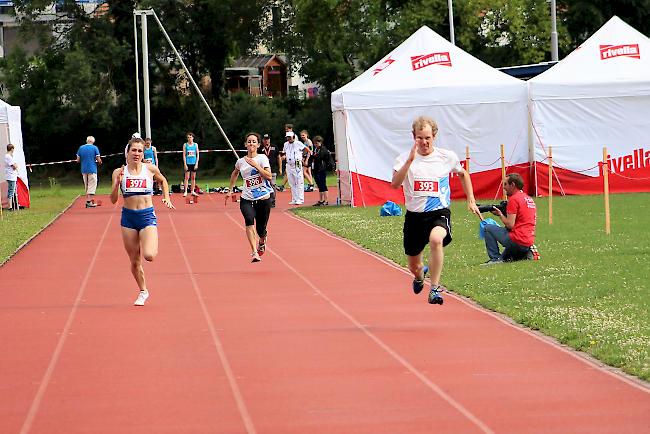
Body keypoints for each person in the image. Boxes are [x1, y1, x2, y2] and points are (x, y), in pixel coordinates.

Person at [391, 116, 480, 305]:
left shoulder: (446, 157)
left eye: (428, 138)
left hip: (438, 213)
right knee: (414, 266)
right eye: (420, 138)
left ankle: (435, 288)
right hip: (414, 218)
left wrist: (471, 199)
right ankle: (419, 276)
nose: (424, 142)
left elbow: (463, 174)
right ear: (413, 137)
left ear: (434, 137)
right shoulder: (403, 159)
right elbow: (394, 184)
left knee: (436, 240)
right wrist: (409, 162)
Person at [110, 137, 175, 306]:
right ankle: (143, 291)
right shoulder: (119, 172)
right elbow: (112, 200)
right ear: (128, 152)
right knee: (134, 260)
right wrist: (117, 183)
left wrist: (166, 197)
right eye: (134, 150)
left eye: (140, 151)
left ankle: (150, 244)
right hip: (128, 218)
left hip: (146, 216)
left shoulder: (150, 169)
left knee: (149, 255)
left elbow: (163, 180)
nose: (137, 153)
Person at [225, 132, 274, 262]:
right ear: (245, 144)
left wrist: (256, 166)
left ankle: (262, 240)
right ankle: (254, 252)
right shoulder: (240, 162)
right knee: (248, 220)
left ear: (258, 145)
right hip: (246, 198)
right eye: (249, 141)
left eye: (254, 141)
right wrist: (230, 190)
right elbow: (235, 173)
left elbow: (268, 176)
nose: (251, 143)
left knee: (260, 229)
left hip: (263, 198)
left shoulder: (262, 158)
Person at [483, 173, 537, 264]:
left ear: (513, 185)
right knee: (506, 260)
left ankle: (494, 259)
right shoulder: (528, 199)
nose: (504, 188)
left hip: (517, 240)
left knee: (488, 228)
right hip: (528, 241)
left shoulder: (514, 199)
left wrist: (500, 214)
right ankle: (526, 253)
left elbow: (510, 224)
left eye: (505, 184)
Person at [283, 131, 310, 205]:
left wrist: (303, 157)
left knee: (299, 181)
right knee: (292, 182)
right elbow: (285, 152)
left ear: (293, 137)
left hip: (297, 163)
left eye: (290, 137)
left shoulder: (298, 143)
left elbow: (307, 150)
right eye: (287, 137)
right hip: (289, 164)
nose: (289, 139)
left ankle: (300, 199)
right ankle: (294, 199)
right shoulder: (285, 144)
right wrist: (284, 157)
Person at [76, 136, 102, 208]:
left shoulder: (81, 148)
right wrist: (99, 162)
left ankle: (89, 200)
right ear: (93, 141)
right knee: (92, 184)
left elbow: (78, 160)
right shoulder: (94, 148)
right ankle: (89, 201)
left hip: (84, 169)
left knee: (86, 185)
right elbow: (99, 160)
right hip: (92, 169)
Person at [261, 133, 280, 207]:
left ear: (269, 140)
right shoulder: (260, 149)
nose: (266, 141)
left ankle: (272, 201)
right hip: (263, 170)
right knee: (264, 185)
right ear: (263, 140)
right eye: (265, 139)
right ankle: (265, 200)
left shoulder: (274, 147)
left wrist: (280, 168)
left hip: (273, 169)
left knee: (272, 185)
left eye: (268, 139)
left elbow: (278, 157)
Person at [311, 135, 331, 206]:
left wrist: (314, 156)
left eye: (317, 143)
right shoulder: (316, 149)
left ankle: (326, 200)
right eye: (315, 143)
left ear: (321, 142)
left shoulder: (323, 150)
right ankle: (321, 200)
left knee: (323, 184)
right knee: (319, 185)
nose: (316, 144)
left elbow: (320, 157)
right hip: (316, 169)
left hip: (321, 169)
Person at [182, 132, 200, 201]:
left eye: (190, 137)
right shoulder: (185, 145)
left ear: (193, 138)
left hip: (194, 163)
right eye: (188, 137)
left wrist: (196, 163)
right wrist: (185, 164)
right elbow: (184, 154)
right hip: (188, 163)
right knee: (186, 177)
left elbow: (197, 154)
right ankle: (185, 191)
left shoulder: (195, 145)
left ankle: (192, 191)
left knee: (193, 178)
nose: (189, 138)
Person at [4, 144, 18, 210]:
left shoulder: (9, 156)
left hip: (11, 175)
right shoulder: (8, 157)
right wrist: (16, 165)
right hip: (11, 176)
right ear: (12, 149)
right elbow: (14, 166)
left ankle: (12, 205)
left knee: (12, 191)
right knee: (11, 191)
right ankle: (10, 206)